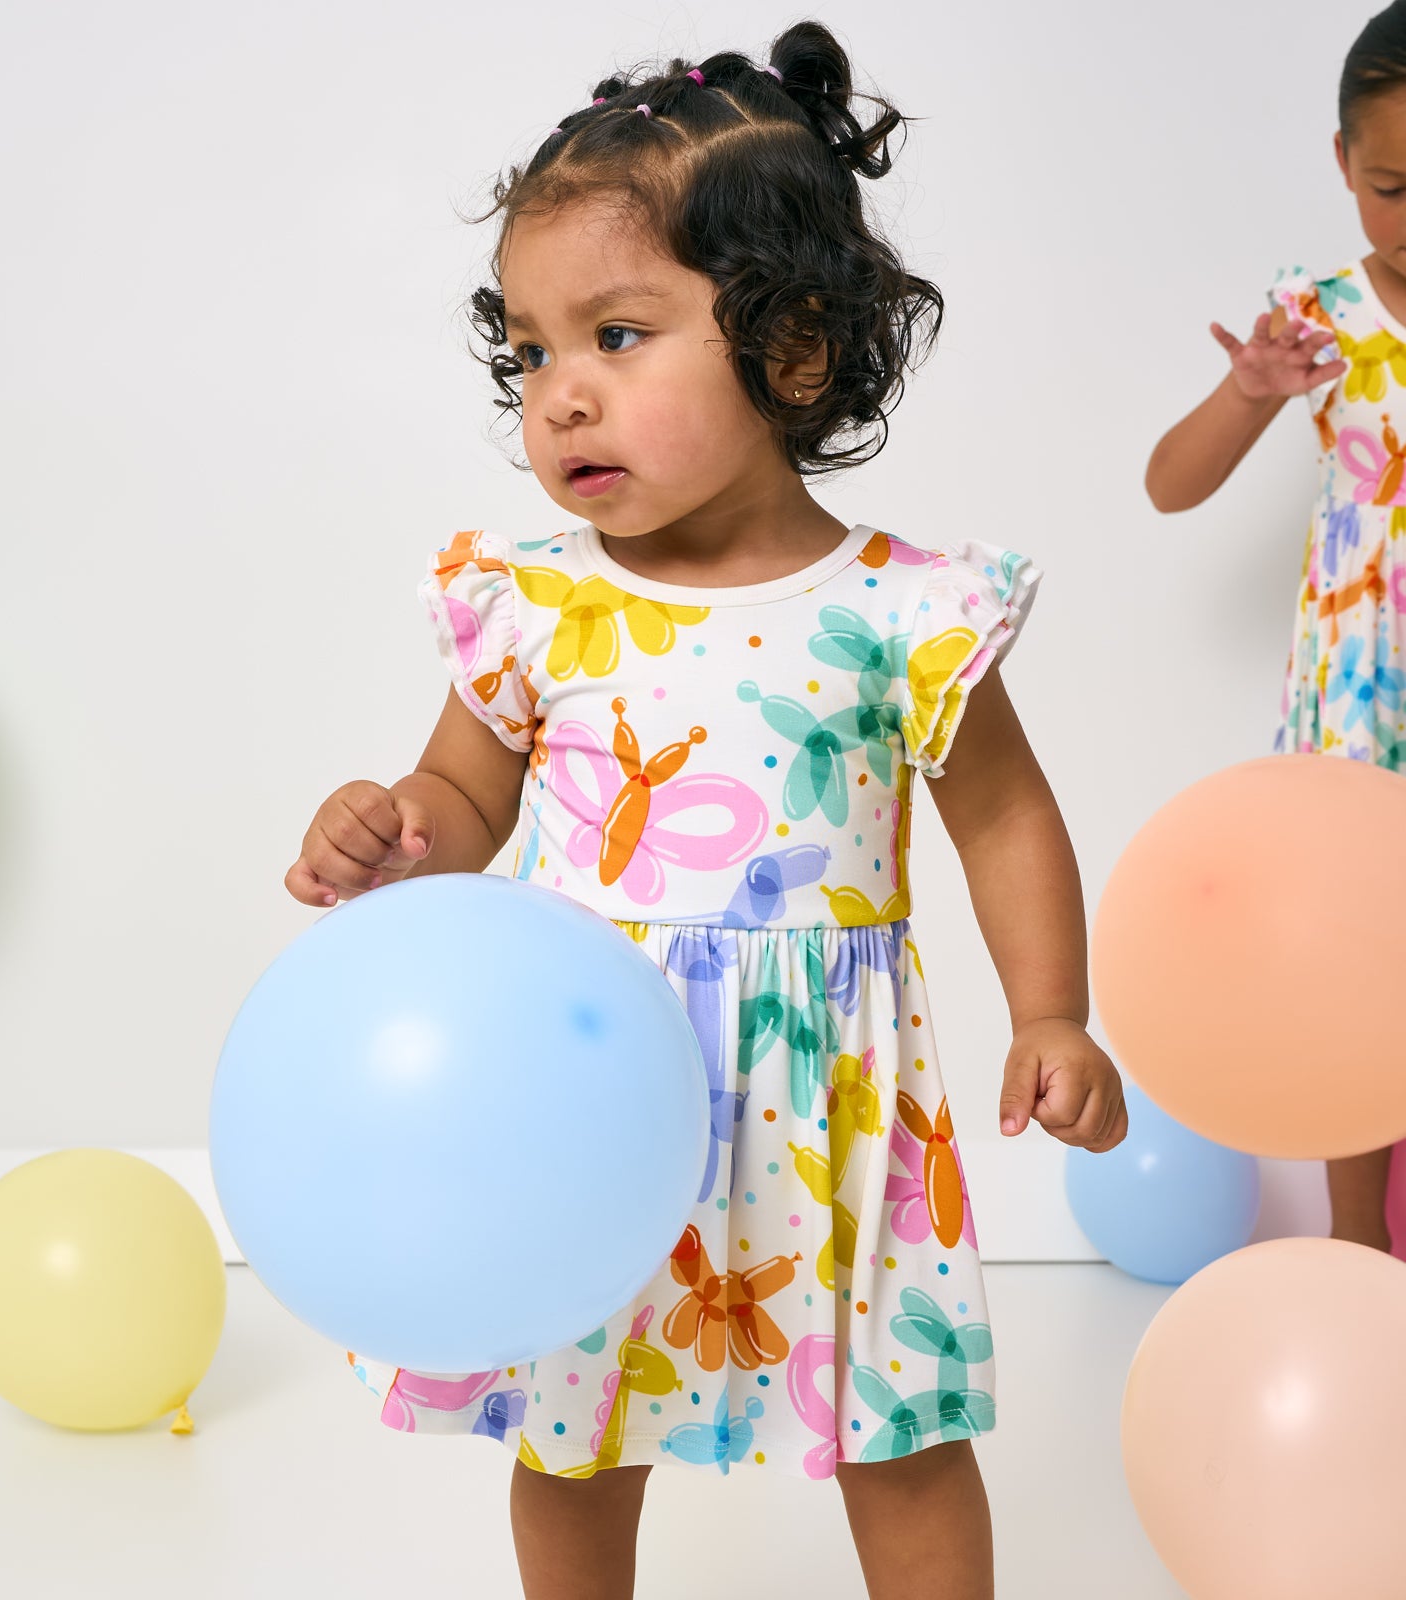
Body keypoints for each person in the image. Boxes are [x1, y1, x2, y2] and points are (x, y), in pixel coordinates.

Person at [287, 22, 1126, 1600]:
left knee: (906, 1427)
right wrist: (394, 828)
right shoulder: (537, 606)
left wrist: (1055, 1011)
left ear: (792, 350)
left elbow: (1004, 816)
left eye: (617, 334)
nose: (561, 399)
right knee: (572, 1426)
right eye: (532, 353)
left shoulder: (898, 609)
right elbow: (464, 798)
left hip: (839, 1107)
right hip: (594, 1091)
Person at [1145, 2, 1406, 1258]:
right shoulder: (1314, 319)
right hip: (1360, 703)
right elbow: (1168, 484)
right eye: (1395, 185)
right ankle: (1363, 1259)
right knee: (1365, 979)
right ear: (1344, 165)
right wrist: (1247, 392)